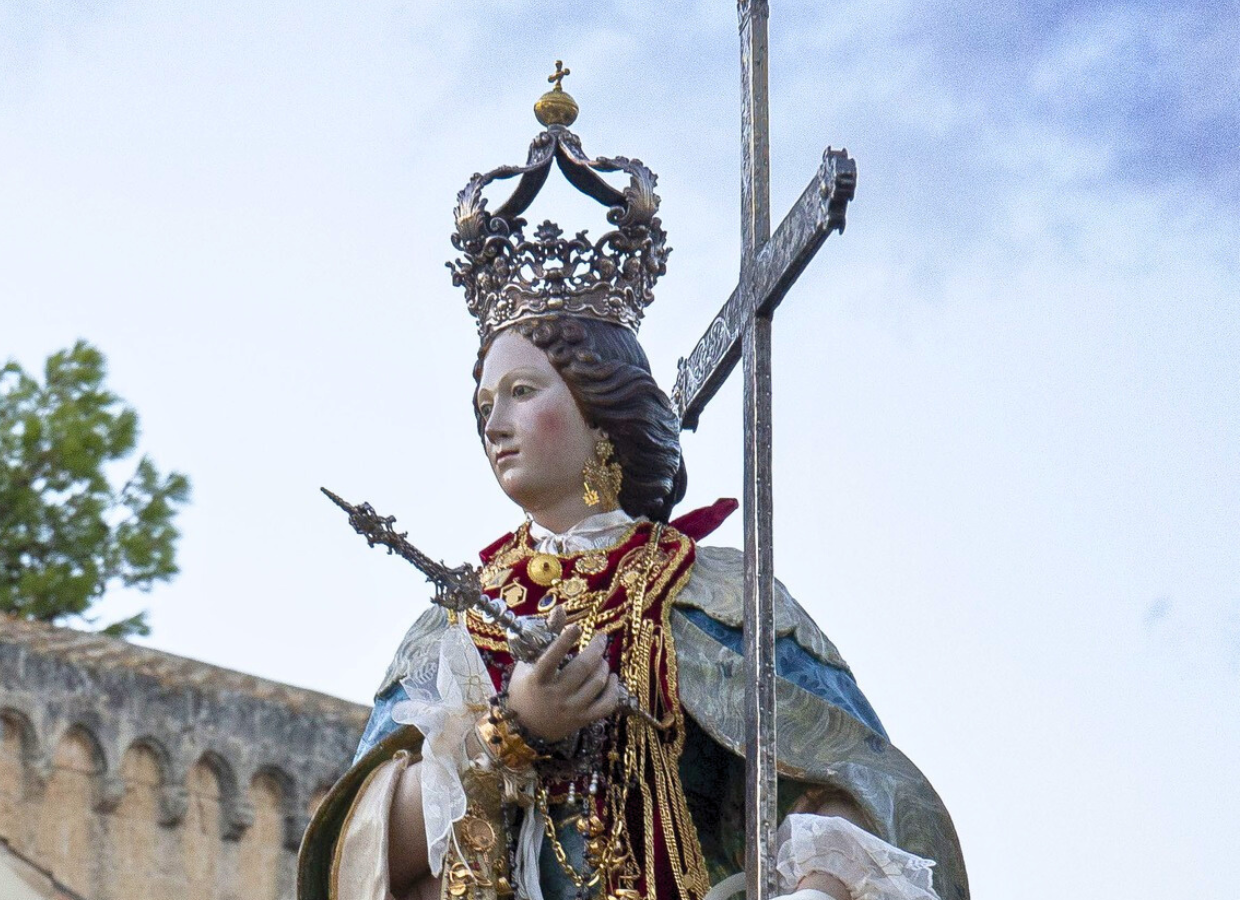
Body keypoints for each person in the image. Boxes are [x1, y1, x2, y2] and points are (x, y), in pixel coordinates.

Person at [298, 74, 967, 900]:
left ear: (599, 408)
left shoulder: (721, 595)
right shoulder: (450, 628)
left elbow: (852, 790)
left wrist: (816, 885)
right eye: (482, 404)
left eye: (522, 392)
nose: (493, 424)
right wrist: (507, 732)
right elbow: (357, 857)